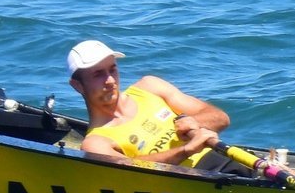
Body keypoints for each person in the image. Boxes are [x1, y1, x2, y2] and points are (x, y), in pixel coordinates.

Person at [67, 39, 240, 172]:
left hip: (227, 158)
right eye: (98, 74)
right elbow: (133, 172)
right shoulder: (95, 142)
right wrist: (185, 150)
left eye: (112, 69)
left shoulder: (150, 87)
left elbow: (221, 118)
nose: (110, 80)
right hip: (196, 180)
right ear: (78, 85)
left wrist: (195, 122)